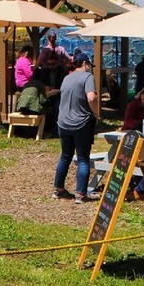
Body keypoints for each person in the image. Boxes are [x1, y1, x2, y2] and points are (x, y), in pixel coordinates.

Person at [52, 53, 100, 204]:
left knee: (65, 156)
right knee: (83, 159)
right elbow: (91, 97)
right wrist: (96, 113)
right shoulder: (87, 77)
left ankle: (58, 189)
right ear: (85, 63)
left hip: (63, 123)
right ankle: (80, 194)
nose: (90, 69)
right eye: (89, 66)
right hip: (81, 123)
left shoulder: (67, 77)